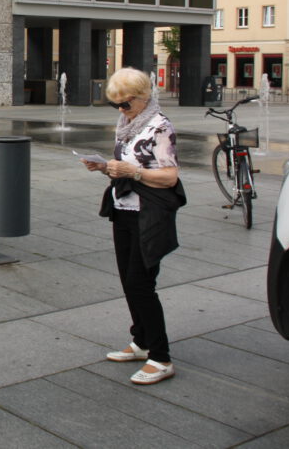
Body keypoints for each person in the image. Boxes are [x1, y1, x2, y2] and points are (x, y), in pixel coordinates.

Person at [81, 67, 185, 386]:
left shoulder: (160, 126)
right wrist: (104, 168)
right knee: (129, 281)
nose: (121, 110)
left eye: (125, 103)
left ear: (142, 97)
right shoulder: (126, 124)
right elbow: (127, 166)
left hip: (149, 213)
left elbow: (170, 177)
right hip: (123, 208)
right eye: (115, 104)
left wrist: (131, 172)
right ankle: (141, 341)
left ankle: (161, 357)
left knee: (141, 284)